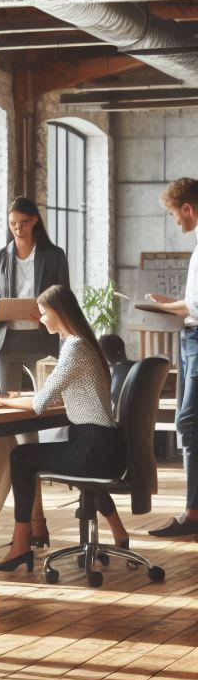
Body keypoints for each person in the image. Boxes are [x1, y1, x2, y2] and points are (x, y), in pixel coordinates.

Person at [0, 285, 129, 571]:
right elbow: (56, 395)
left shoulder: (73, 347)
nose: (41, 318)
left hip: (92, 449)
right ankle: (119, 533)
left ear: (58, 312)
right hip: (106, 447)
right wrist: (14, 397)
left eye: (43, 312)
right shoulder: (85, 344)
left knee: (21, 457)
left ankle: (20, 544)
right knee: (65, 462)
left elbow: (41, 404)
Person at [144, 177, 198, 538]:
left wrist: (168, 307)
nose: (176, 222)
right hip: (190, 336)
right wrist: (169, 305)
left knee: (188, 424)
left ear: (188, 208)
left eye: (175, 215)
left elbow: (197, 306)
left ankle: (193, 514)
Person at [0, 197, 70, 395]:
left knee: (42, 404)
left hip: (41, 339)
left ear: (35, 221)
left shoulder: (54, 256)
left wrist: (49, 315)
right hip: (4, 342)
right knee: (6, 406)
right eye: (13, 223)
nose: (18, 228)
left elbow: (64, 298)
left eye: (23, 223)